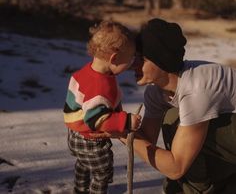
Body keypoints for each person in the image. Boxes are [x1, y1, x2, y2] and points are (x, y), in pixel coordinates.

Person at [92, 18, 236, 194]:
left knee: (177, 122)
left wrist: (122, 132)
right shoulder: (156, 93)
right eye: (133, 58)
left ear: (162, 61)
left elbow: (176, 167)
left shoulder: (195, 91)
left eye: (141, 59)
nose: (133, 65)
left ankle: (202, 188)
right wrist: (118, 122)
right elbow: (146, 139)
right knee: (176, 121)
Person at [63, 20, 141, 194]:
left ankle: (80, 189)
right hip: (90, 140)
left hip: (75, 135)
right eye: (130, 59)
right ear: (114, 58)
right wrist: (126, 120)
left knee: (83, 164)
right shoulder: (99, 86)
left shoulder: (88, 71)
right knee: (102, 171)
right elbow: (95, 119)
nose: (131, 63)